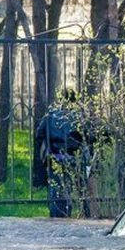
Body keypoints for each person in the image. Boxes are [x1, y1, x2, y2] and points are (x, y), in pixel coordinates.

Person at [36, 90, 92, 218]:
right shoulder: (79, 116)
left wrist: (47, 149)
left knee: (56, 188)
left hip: (55, 156)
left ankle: (58, 215)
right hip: (75, 157)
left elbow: (39, 134)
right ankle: (84, 213)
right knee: (79, 188)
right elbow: (87, 136)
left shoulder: (50, 116)